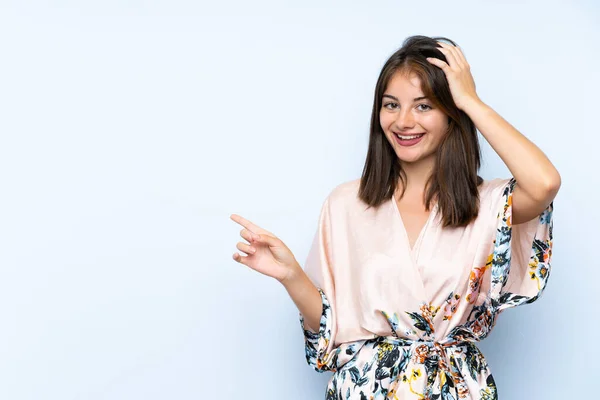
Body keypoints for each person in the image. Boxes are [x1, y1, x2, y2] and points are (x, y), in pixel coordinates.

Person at [230, 35, 560, 400]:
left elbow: (544, 183)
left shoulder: (485, 205)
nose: (404, 122)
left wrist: (470, 100)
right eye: (391, 105)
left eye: (423, 106)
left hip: (456, 388)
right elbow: (330, 327)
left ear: (452, 116)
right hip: (366, 389)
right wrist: (291, 275)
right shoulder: (346, 204)